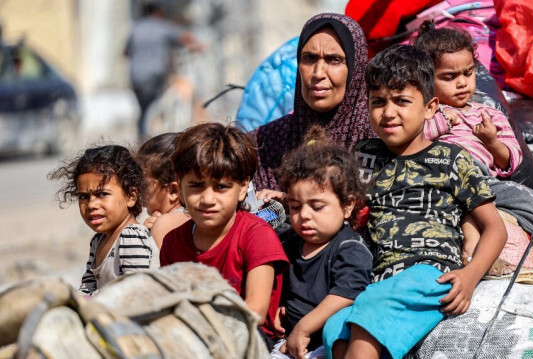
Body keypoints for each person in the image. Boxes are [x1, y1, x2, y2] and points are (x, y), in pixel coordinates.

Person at [322, 44, 507, 359]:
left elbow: (495, 229)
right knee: (333, 328)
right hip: (381, 277)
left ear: (430, 107)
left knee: (372, 306)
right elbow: (335, 202)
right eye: (378, 102)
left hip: (429, 273)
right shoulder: (364, 155)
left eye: (402, 101)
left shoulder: (451, 159)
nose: (388, 112)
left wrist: (470, 275)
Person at [415, 22, 533, 281]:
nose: (461, 83)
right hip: (444, 179)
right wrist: (443, 122)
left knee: (530, 199)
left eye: (468, 73)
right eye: (449, 77)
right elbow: (415, 137)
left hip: (487, 182)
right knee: (464, 213)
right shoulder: (426, 111)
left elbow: (509, 160)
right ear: (425, 79)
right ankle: (475, 255)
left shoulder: (489, 114)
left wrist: (491, 141)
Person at [159, 123, 289, 347]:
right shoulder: (173, 242)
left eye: (221, 187)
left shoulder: (256, 235)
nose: (207, 199)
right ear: (179, 187)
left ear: (242, 187)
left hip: (247, 337)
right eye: (197, 186)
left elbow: (255, 311)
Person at [270, 127, 373, 359]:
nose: (304, 215)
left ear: (347, 206)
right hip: (290, 341)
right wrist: (275, 306)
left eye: (317, 207)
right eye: (295, 207)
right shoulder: (289, 245)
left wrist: (304, 328)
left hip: (329, 344)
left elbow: (347, 292)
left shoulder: (350, 248)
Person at [251, 13, 376, 194]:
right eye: (309, 58)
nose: (318, 73)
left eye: (334, 60)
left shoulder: (378, 138)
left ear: (355, 69)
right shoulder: (263, 143)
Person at [49, 145, 159, 295]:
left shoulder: (131, 236)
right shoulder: (98, 241)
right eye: (83, 197)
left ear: (131, 197)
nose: (91, 204)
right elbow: (88, 287)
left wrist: (91, 302)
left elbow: (135, 290)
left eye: (102, 194)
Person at [124, 1, 202, 141]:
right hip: (155, 75)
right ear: (160, 11)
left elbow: (126, 52)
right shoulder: (163, 27)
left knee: (144, 109)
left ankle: (142, 138)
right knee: (154, 106)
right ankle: (154, 141)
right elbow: (186, 37)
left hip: (135, 76)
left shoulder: (136, 28)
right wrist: (198, 47)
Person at [136, 132, 189, 247]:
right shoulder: (194, 219)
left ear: (173, 191)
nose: (138, 189)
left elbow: (155, 265)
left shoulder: (164, 224)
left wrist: (143, 238)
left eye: (144, 184)